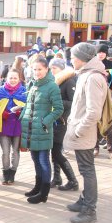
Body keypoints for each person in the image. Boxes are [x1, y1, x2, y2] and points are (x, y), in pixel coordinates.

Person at [64, 42, 107, 223]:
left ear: (82, 58)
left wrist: (79, 130)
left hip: (84, 134)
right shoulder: (86, 74)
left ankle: (90, 210)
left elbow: (93, 112)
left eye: (73, 57)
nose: (71, 60)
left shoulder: (93, 78)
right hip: (81, 131)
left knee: (87, 170)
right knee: (85, 169)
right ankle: (84, 201)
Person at [21, 57, 63, 204]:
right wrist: (22, 117)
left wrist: (45, 122)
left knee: (43, 161)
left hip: (43, 130)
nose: (37, 72)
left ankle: (43, 193)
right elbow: (29, 105)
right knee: (35, 159)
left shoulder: (52, 86)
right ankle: (38, 187)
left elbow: (59, 109)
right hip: (32, 129)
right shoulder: (33, 84)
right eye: (34, 69)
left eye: (40, 69)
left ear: (46, 69)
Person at [48, 58, 79, 191]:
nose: (52, 70)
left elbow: (73, 103)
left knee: (57, 152)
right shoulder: (56, 81)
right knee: (54, 151)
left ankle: (73, 180)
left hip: (63, 121)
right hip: (55, 121)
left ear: (61, 69)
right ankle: (57, 177)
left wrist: (56, 101)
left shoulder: (69, 81)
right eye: (51, 68)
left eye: (55, 68)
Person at [0, 69, 27, 185]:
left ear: (19, 79)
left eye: (15, 78)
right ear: (6, 79)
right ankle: (5, 172)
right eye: (10, 78)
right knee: (5, 152)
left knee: (16, 152)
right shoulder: (0, 91)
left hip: (18, 125)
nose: (13, 80)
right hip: (5, 125)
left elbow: (28, 107)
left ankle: (12, 173)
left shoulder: (24, 91)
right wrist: (1, 113)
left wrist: (20, 111)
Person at [94, 44, 112, 161]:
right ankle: (95, 147)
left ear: (106, 53)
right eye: (99, 52)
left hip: (107, 96)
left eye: (103, 52)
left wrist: (109, 76)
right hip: (94, 95)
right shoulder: (92, 63)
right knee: (94, 122)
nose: (101, 54)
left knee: (108, 120)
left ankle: (111, 150)